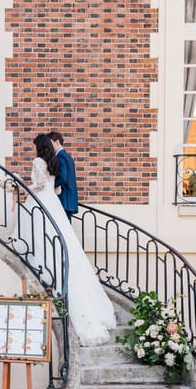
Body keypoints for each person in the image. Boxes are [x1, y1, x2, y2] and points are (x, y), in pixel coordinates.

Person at [21, 134, 116, 347]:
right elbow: (57, 186)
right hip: (53, 202)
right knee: (60, 241)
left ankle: (43, 263)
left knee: (41, 234)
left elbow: (40, 183)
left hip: (43, 200)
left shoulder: (38, 162)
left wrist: (25, 187)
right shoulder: (53, 161)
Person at [47, 131, 78, 217]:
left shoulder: (60, 157)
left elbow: (63, 177)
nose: (49, 147)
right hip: (68, 199)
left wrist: (50, 186)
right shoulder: (66, 156)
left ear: (57, 142)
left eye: (50, 143)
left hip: (64, 198)